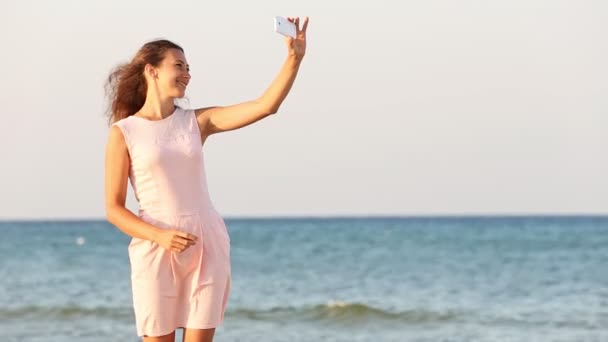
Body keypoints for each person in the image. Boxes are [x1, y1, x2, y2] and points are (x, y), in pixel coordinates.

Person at [104, 17, 309, 342]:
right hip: (156, 246)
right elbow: (114, 209)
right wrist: (159, 236)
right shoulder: (125, 132)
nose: (187, 73)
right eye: (179, 65)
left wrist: (293, 59)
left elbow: (265, 106)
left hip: (205, 242)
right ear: (152, 70)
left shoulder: (198, 122)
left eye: (188, 67)